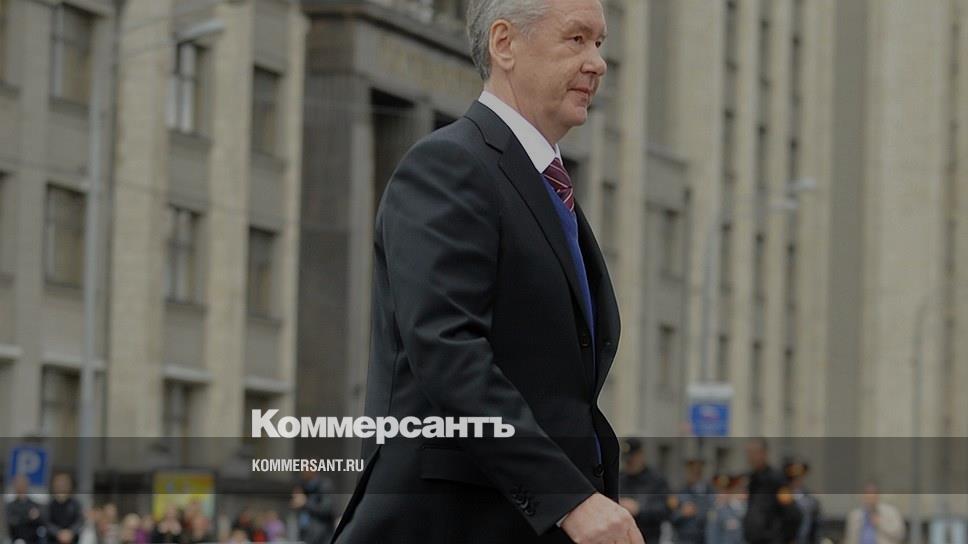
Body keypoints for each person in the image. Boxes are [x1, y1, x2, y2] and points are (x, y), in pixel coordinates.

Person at [329, 0, 636, 542]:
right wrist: (567, 499)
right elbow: (448, 352)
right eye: (576, 39)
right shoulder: (449, 165)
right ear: (504, 43)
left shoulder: (544, 183)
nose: (597, 62)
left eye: (599, 43)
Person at [742, 439, 802, 544]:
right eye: (748, 453)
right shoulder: (751, 480)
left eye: (754, 453)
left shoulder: (776, 480)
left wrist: (786, 538)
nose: (750, 457)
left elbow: (793, 514)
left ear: (764, 453)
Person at [618, 439, 673, 544]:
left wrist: (639, 509)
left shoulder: (657, 480)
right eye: (627, 460)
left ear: (641, 455)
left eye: (632, 459)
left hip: (649, 538)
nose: (629, 464)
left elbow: (665, 510)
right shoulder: (619, 479)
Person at [672, 458, 715, 544]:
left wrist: (699, 511)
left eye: (697, 472)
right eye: (692, 472)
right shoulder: (680, 491)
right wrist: (682, 513)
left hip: (704, 537)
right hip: (684, 538)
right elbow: (671, 517)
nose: (694, 475)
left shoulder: (709, 491)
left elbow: (713, 511)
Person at [783, 458, 821, 544]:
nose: (797, 480)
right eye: (793, 478)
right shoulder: (781, 497)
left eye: (799, 477)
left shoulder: (811, 500)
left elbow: (816, 526)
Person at [291, 470, 335, 544]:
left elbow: (326, 509)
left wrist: (305, 503)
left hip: (320, 537)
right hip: (305, 534)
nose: (302, 472)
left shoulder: (324, 485)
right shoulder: (303, 486)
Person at [706, 474, 747, 544]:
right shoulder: (716, 512)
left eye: (726, 491)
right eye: (720, 491)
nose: (723, 494)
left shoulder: (737, 508)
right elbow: (712, 536)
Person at [44, 473, 85, 544]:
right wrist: (58, 533)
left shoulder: (76, 504)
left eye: (64, 484)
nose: (61, 487)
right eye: (58, 484)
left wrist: (71, 532)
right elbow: (46, 522)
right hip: (53, 540)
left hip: (72, 540)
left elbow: (79, 520)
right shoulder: (49, 505)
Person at [6, 474, 43, 544]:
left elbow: (40, 523)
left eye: (23, 483)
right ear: (14, 485)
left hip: (32, 541)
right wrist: (29, 517)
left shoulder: (35, 505)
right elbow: (11, 522)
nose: (21, 486)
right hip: (15, 540)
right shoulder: (10, 506)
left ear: (27, 485)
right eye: (18, 483)